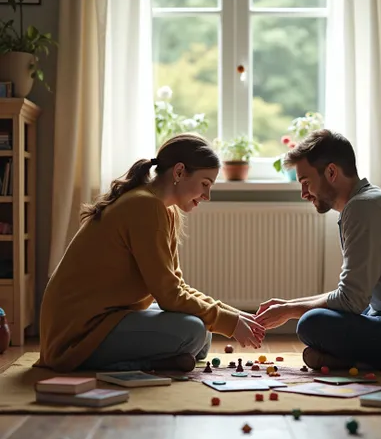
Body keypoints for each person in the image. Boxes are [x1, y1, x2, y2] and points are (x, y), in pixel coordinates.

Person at [36, 133, 265, 373]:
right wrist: (230, 323)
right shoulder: (145, 206)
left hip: (113, 316)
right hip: (80, 332)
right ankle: (144, 364)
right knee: (194, 331)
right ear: (178, 172)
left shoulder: (165, 210)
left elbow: (177, 286)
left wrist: (235, 316)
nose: (207, 196)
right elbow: (169, 296)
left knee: (202, 332)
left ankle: (166, 360)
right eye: (205, 184)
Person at [255, 129, 381, 372]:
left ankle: (354, 360)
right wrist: (289, 305)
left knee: (311, 323)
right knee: (322, 318)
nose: (303, 194)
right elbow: (352, 296)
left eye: (306, 182)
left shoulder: (364, 209)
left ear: (331, 172)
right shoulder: (363, 203)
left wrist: (290, 310)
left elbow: (349, 300)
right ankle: (353, 360)